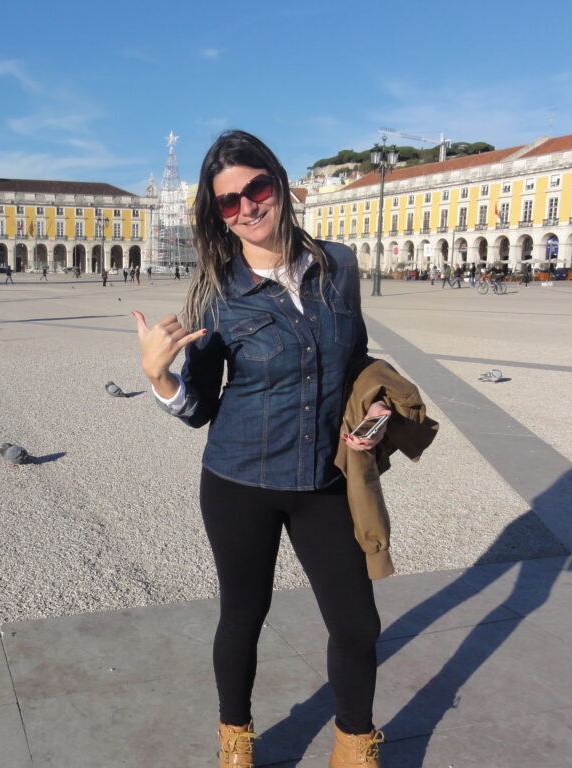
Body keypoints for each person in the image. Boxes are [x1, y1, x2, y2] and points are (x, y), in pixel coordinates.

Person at [133, 131, 390, 767]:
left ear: (278, 183)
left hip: (323, 480)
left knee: (357, 624)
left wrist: (375, 405)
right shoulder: (215, 291)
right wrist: (159, 376)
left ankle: (354, 748)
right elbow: (199, 407)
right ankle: (235, 743)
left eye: (257, 188)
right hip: (239, 481)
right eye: (229, 201)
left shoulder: (338, 266)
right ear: (217, 214)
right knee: (244, 616)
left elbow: (354, 357)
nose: (247, 206)